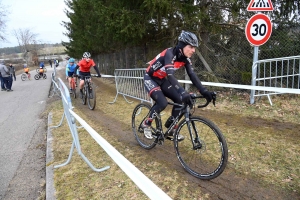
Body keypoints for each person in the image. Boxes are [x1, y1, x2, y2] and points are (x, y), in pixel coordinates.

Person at [142, 30, 213, 141]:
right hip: (150, 77)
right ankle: (147, 124)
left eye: (195, 48)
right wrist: (182, 91)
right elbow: (170, 75)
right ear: (182, 45)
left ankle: (171, 128)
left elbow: (192, 75)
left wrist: (204, 91)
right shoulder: (170, 54)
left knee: (179, 100)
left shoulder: (185, 59)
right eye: (191, 47)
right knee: (162, 102)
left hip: (161, 79)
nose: (194, 50)